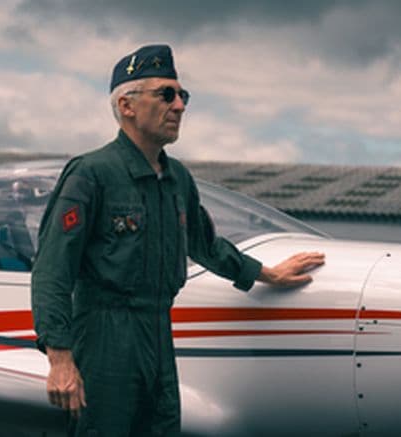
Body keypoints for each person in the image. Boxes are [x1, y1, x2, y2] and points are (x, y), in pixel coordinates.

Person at [31, 44, 325, 437]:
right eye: (166, 94)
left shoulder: (177, 179)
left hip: (158, 332)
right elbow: (52, 270)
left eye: (182, 95)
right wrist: (60, 358)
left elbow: (205, 245)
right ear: (127, 105)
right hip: (105, 337)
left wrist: (266, 274)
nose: (179, 106)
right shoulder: (91, 174)